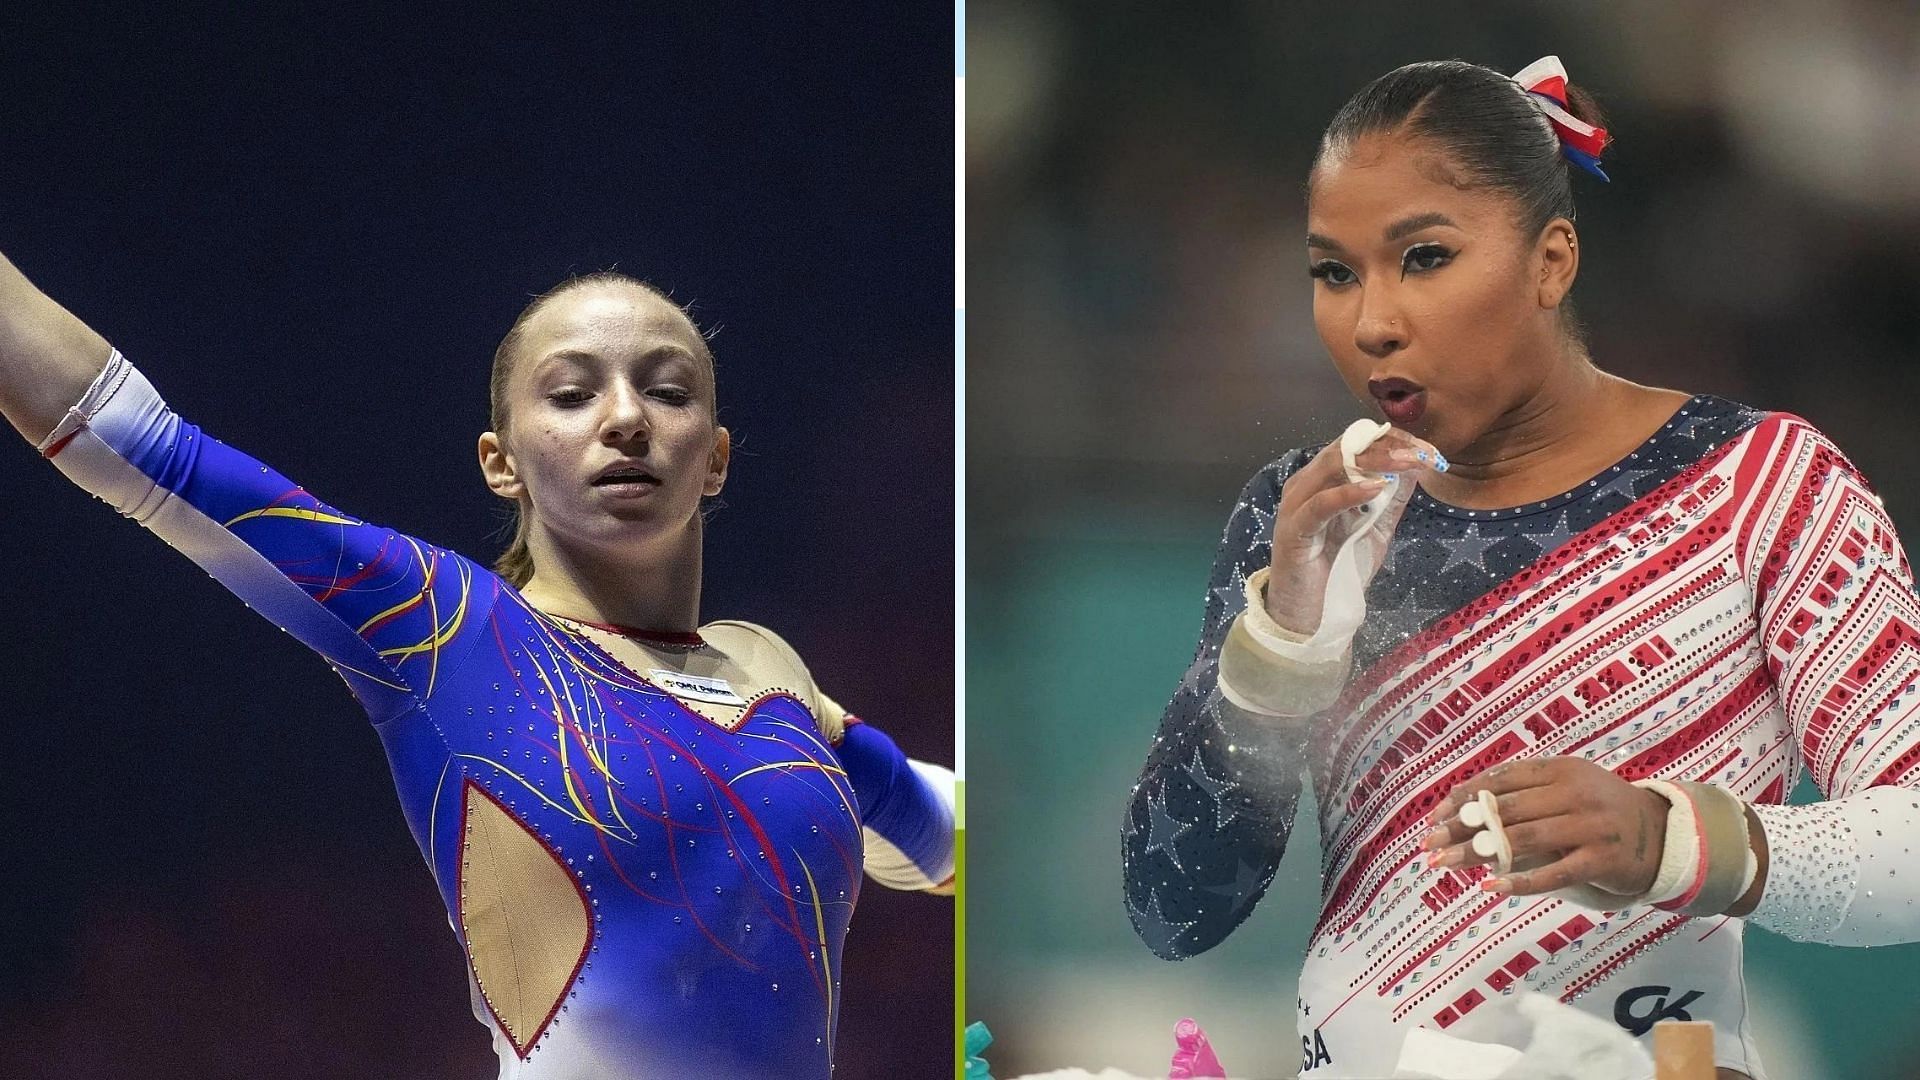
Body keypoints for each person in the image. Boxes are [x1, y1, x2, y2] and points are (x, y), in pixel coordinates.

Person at [1121, 55, 1920, 1080]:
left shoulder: (1763, 486)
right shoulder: (1312, 521)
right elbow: (1171, 912)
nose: (1372, 322)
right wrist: (1279, 648)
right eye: (1334, 271)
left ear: (1551, 262)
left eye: (1424, 258)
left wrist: (1672, 842)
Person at [0, 259, 955, 1079]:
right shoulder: (447, 627)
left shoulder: (773, 672)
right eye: (573, 393)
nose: (625, 418)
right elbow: (143, 446)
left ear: (715, 458)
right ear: (501, 463)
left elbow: (944, 833)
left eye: (667, 389)